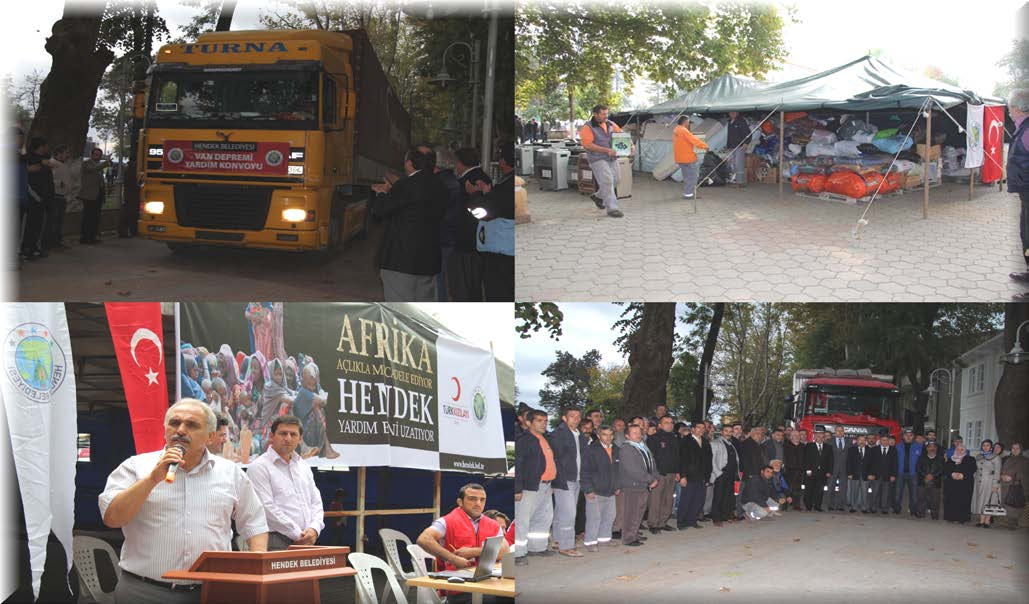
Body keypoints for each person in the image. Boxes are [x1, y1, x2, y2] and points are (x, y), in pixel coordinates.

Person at [99, 399, 268, 603]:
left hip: (211, 592)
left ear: (210, 436)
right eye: (174, 423)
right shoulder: (136, 467)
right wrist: (152, 479)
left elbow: (254, 522)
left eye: (192, 425)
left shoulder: (230, 472)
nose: (180, 430)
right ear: (165, 431)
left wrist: (258, 566)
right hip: (144, 591)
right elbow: (113, 518)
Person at [371, 145, 448, 301]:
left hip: (400, 261)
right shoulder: (441, 186)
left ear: (409, 163)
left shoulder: (406, 185)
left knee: (400, 311)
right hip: (428, 262)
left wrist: (381, 194)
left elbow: (379, 211)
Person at [417, 484, 508, 604]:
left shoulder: (493, 524)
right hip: (459, 586)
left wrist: (473, 551)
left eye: (482, 500)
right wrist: (453, 558)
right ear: (460, 502)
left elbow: (505, 550)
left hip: (489, 581)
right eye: (472, 499)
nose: (478, 503)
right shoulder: (447, 521)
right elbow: (423, 539)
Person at [247, 415, 324, 551]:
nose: (288, 438)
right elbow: (266, 508)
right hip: (276, 540)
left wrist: (314, 529)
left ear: (300, 439)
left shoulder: (303, 466)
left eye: (293, 434)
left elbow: (316, 502)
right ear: (271, 436)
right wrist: (298, 534)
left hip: (307, 540)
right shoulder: (259, 467)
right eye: (283, 433)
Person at [469, 142, 515, 301]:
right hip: (505, 250)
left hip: (499, 253)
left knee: (497, 293)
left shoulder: (505, 187)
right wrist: (488, 193)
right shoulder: (508, 182)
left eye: (501, 158)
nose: (499, 162)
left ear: (504, 161)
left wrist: (475, 195)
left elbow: (482, 213)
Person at [513, 409, 556, 565]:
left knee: (544, 517)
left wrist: (552, 483)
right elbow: (516, 465)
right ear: (529, 422)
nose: (543, 423)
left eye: (545, 420)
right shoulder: (523, 440)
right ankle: (518, 553)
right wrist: (517, 489)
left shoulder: (546, 439)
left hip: (546, 485)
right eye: (539, 420)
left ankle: (537, 547)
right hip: (529, 486)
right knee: (522, 519)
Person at [450, 147, 490, 301]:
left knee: (464, 285)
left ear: (460, 163)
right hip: (478, 240)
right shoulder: (483, 176)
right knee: (473, 284)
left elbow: (477, 211)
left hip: (466, 240)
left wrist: (472, 196)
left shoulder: (468, 181)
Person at [580, 104, 630, 218]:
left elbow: (621, 135)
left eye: (606, 113)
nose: (605, 116)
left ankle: (598, 196)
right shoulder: (587, 127)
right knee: (607, 181)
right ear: (595, 114)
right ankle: (612, 208)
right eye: (603, 114)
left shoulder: (611, 124)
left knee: (616, 180)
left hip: (612, 158)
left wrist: (630, 145)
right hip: (597, 158)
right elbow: (588, 145)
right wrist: (606, 150)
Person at [549, 406, 586, 557]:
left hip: (577, 479)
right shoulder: (559, 434)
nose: (576, 419)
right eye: (572, 416)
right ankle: (566, 546)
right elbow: (556, 459)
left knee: (561, 511)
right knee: (569, 513)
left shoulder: (579, 434)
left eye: (578, 417)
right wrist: (558, 479)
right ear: (564, 418)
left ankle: (558, 540)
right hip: (564, 479)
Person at [1005, 88, 1029, 298]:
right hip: (1025, 192)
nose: (1008, 111)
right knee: (1026, 234)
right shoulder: (1021, 128)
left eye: (1010, 107)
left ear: (1017, 108)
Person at [580, 425, 620, 552]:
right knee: (594, 517)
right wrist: (588, 489)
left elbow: (619, 471)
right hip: (595, 490)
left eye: (610, 435)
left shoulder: (617, 449)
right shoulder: (591, 450)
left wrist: (617, 486)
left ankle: (604, 539)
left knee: (609, 516)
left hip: (611, 490)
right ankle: (590, 541)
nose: (608, 437)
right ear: (598, 436)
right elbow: (585, 471)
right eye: (604, 434)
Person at [618, 424, 657, 546]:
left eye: (639, 432)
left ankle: (634, 534)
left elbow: (651, 462)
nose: (638, 434)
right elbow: (633, 470)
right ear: (627, 436)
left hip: (642, 485)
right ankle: (628, 538)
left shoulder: (642, 446)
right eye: (634, 433)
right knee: (630, 513)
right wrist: (650, 479)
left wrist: (655, 476)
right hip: (632, 485)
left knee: (638, 512)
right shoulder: (626, 448)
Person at [646, 415, 680, 533]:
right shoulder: (653, 438)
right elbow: (651, 458)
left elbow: (677, 456)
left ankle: (662, 522)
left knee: (668, 500)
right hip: (659, 474)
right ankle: (653, 524)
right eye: (666, 422)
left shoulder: (675, 438)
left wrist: (677, 471)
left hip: (672, 473)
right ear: (659, 425)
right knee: (656, 500)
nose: (669, 425)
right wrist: (654, 474)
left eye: (671, 423)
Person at [23, 136, 55, 261]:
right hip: (34, 196)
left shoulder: (46, 159)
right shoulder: (29, 158)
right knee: (30, 224)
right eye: (46, 145)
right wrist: (39, 162)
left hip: (44, 197)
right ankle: (26, 248)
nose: (47, 148)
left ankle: (34, 246)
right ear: (40, 146)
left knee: (38, 224)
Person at [677, 421, 712, 530]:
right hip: (689, 476)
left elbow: (709, 461)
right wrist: (682, 476)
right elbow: (681, 459)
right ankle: (681, 522)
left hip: (702, 477)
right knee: (686, 500)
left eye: (703, 428)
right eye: (698, 427)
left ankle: (692, 520)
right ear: (693, 429)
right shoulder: (685, 441)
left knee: (698, 500)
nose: (701, 430)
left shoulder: (706, 442)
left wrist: (707, 477)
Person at [710, 425, 741, 526]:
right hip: (721, 474)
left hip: (731, 474)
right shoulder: (715, 443)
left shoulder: (731, 444)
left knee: (728, 496)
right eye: (726, 431)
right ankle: (716, 518)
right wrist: (718, 473)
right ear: (722, 432)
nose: (728, 433)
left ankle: (725, 515)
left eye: (730, 431)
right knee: (718, 496)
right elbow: (712, 460)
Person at [672, 115, 709, 199]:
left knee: (686, 177)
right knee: (693, 176)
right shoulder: (684, 130)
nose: (688, 124)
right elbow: (694, 140)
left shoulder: (676, 130)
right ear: (685, 122)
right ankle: (689, 194)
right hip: (688, 158)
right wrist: (705, 146)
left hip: (680, 158)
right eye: (688, 122)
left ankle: (687, 193)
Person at [79, 147, 109, 245]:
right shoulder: (86, 163)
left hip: (98, 194)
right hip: (89, 194)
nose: (98, 157)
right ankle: (85, 237)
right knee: (88, 217)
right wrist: (105, 163)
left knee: (96, 217)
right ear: (92, 155)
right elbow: (92, 170)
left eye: (99, 155)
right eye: (96, 155)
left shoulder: (98, 166)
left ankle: (92, 236)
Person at [46, 144, 73, 250]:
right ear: (59, 153)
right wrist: (59, 183)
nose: (68, 155)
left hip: (62, 195)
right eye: (66, 153)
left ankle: (56, 241)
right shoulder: (52, 163)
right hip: (56, 195)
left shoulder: (63, 164)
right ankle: (50, 242)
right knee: (54, 221)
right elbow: (50, 178)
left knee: (59, 221)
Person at [943, 444, 977, 524]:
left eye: (962, 449)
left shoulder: (970, 459)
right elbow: (946, 469)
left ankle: (962, 518)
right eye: (958, 449)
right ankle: (950, 517)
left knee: (963, 500)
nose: (959, 451)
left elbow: (973, 469)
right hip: (952, 483)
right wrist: (951, 474)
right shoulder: (950, 459)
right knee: (951, 500)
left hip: (964, 484)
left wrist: (963, 475)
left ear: (965, 451)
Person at [973, 439, 1003, 528]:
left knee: (989, 501)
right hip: (979, 482)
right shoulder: (979, 456)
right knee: (981, 501)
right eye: (984, 445)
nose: (985, 447)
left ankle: (987, 521)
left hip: (990, 482)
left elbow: (997, 472)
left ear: (991, 447)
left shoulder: (996, 457)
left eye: (987, 445)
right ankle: (981, 521)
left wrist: (995, 485)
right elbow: (977, 469)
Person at [893, 429, 923, 515]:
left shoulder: (919, 447)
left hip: (913, 474)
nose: (908, 437)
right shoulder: (898, 446)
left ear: (913, 437)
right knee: (897, 493)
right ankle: (897, 509)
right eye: (906, 435)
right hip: (900, 473)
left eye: (911, 435)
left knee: (914, 494)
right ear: (903, 436)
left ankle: (913, 510)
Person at [999, 441, 1027, 529]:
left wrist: (1013, 477)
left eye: (1017, 448)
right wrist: (1001, 476)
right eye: (1013, 448)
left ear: (1021, 450)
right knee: (1006, 503)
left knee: (1014, 505)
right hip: (1005, 485)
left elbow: (1025, 474)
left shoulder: (1025, 460)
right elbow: (1000, 470)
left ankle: (1013, 523)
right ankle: (1008, 521)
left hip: (1016, 486)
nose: (1015, 450)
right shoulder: (1007, 458)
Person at [803, 431, 833, 512]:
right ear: (815, 438)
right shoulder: (809, 446)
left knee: (819, 491)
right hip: (811, 472)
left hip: (823, 473)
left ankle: (817, 506)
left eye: (822, 437)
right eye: (818, 437)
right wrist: (807, 470)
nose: (820, 438)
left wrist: (829, 471)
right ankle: (808, 506)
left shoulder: (828, 447)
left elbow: (830, 460)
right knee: (809, 489)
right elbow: (806, 459)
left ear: (824, 438)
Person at [867, 434, 897, 514]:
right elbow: (870, 463)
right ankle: (873, 507)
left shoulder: (893, 450)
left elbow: (895, 464)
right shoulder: (874, 449)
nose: (885, 442)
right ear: (880, 441)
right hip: (875, 475)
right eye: (883, 440)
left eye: (886, 440)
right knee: (875, 492)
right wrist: (870, 474)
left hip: (888, 475)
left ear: (888, 441)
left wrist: (893, 475)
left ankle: (884, 508)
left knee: (886, 493)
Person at [916, 441, 945, 520]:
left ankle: (935, 516)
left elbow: (942, 470)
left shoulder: (941, 458)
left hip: (935, 482)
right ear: (926, 448)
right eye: (930, 447)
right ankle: (921, 514)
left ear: (936, 448)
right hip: (922, 481)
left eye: (934, 447)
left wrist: (932, 476)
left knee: (935, 500)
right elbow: (918, 469)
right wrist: (925, 476)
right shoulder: (921, 457)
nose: (932, 448)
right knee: (921, 498)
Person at [845, 435, 871, 513]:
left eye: (863, 440)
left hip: (865, 475)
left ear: (865, 441)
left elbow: (872, 463)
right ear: (857, 441)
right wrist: (849, 473)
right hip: (854, 474)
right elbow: (848, 462)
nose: (862, 442)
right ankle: (854, 507)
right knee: (854, 492)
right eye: (860, 440)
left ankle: (864, 508)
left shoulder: (870, 450)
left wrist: (871, 474)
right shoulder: (851, 450)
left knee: (864, 492)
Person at [827, 427, 849, 511]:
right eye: (838, 431)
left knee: (843, 488)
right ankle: (830, 505)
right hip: (832, 468)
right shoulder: (829, 441)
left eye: (841, 431)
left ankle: (840, 506)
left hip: (844, 469)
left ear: (844, 432)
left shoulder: (849, 441)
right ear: (835, 432)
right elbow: (827, 457)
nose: (839, 432)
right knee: (831, 487)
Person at [783, 429, 805, 511]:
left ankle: (796, 505)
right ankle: (784, 505)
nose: (797, 437)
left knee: (797, 489)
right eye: (794, 436)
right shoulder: (786, 445)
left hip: (799, 471)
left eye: (798, 436)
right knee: (787, 488)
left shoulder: (803, 446)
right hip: (789, 470)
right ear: (790, 437)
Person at [726, 111, 750, 186]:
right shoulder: (730, 122)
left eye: (734, 112)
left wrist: (746, 143)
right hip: (732, 146)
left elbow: (748, 133)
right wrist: (728, 146)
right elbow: (729, 135)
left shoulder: (741, 121)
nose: (732, 114)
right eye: (730, 113)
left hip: (740, 145)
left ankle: (740, 182)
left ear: (737, 113)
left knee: (739, 163)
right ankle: (733, 179)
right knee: (732, 163)